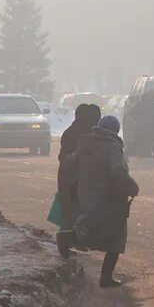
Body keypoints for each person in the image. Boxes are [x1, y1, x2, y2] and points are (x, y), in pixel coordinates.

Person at [71, 115, 140, 287]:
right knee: (116, 236)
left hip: (87, 195)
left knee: (91, 225)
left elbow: (70, 163)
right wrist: (132, 186)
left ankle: (70, 238)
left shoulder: (84, 144)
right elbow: (118, 172)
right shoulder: (112, 147)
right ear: (115, 131)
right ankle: (106, 277)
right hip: (110, 197)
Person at [57, 103, 102, 258]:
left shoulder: (72, 131)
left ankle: (73, 240)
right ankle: (67, 241)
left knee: (71, 210)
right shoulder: (84, 134)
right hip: (75, 178)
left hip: (68, 176)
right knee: (75, 210)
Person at [133, 88, 154, 162]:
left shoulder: (144, 101)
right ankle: (125, 154)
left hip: (145, 125)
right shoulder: (149, 102)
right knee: (138, 141)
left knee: (151, 141)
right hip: (147, 126)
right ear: (152, 94)